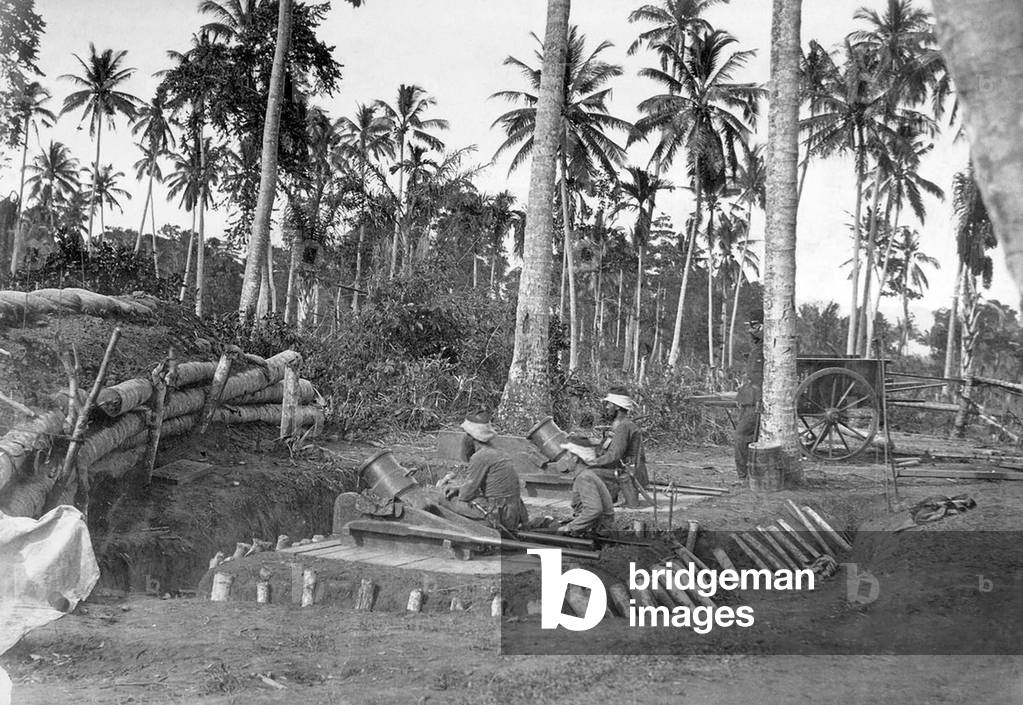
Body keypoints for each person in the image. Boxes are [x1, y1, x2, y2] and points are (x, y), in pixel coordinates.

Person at [442, 409, 529, 532]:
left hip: (500, 514)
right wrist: (458, 488)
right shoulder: (498, 451)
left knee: (442, 500)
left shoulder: (480, 457)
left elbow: (466, 495)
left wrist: (458, 492)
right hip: (514, 511)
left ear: (470, 437)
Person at [583, 387, 648, 504]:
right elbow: (609, 448)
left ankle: (603, 500)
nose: (607, 407)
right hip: (625, 471)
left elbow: (614, 455)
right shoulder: (620, 425)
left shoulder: (623, 427)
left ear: (617, 406)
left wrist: (591, 461)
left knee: (586, 473)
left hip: (627, 474)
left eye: (609, 404)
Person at [734, 315, 765, 485]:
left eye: (754, 326)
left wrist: (759, 399)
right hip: (749, 397)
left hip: (755, 399)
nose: (750, 330)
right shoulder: (758, 346)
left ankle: (744, 477)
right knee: (745, 437)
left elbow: (760, 378)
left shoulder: (765, 348)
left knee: (741, 436)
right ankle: (745, 475)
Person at [557, 467, 615, 537]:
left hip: (595, 530)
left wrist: (570, 527)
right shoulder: (587, 474)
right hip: (596, 526)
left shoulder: (584, 477)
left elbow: (594, 510)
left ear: (575, 459)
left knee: (551, 532)